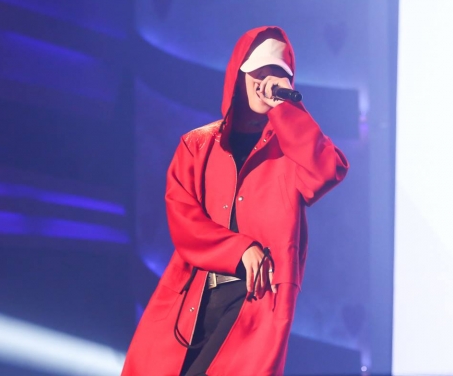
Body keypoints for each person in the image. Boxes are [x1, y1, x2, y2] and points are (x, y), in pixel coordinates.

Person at [121, 26, 349, 376]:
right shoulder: (197, 145)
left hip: (255, 305)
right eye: (259, 71)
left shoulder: (291, 153)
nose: (265, 81)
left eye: (277, 73)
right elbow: (184, 222)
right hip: (191, 296)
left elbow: (327, 170)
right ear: (238, 74)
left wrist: (288, 108)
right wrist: (240, 249)